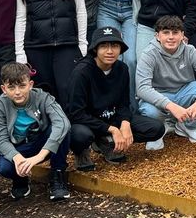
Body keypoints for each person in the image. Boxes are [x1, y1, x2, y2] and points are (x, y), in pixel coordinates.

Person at [66, 26, 165, 169]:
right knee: (80, 136)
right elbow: (76, 113)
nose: (110, 51)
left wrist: (125, 123)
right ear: (95, 49)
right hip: (86, 122)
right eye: (104, 46)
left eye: (115, 46)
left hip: (111, 117)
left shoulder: (122, 68)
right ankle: (82, 152)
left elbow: (124, 103)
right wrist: (112, 129)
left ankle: (106, 142)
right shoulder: (81, 72)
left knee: (155, 128)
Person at [14, 0, 88, 101]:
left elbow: (81, 12)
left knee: (67, 89)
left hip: (67, 45)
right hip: (36, 47)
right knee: (43, 93)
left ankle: (69, 119)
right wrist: (20, 53)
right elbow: (21, 18)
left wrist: (82, 44)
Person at [136, 15, 196, 148]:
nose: (171, 37)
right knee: (149, 111)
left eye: (175, 33)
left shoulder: (189, 51)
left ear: (182, 35)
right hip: (160, 94)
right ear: (157, 36)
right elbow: (142, 88)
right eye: (166, 33)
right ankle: (159, 130)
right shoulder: (149, 54)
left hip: (184, 92)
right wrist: (172, 106)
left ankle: (188, 126)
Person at [0, 62, 70, 202]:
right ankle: (20, 179)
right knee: (4, 167)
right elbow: (1, 139)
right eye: (11, 87)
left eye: (22, 86)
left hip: (41, 143)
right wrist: (17, 158)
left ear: (30, 84)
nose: (17, 92)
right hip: (18, 147)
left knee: (61, 129)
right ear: (4, 89)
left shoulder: (43, 97)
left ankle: (57, 174)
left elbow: (63, 123)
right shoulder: (0, 104)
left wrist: (40, 156)